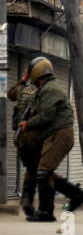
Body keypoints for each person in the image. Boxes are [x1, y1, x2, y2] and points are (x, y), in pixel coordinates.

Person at [19, 57, 83, 222]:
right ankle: (76, 195)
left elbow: (47, 116)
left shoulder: (49, 89)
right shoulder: (45, 89)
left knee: (43, 172)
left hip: (60, 134)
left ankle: (46, 212)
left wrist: (28, 124)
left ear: (37, 73)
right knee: (44, 173)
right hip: (55, 134)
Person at [7, 69, 41, 217]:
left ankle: (27, 199)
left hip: (21, 138)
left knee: (31, 169)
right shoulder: (45, 92)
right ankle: (31, 200)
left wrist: (22, 80)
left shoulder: (22, 90)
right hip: (36, 137)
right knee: (41, 169)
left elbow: (10, 95)